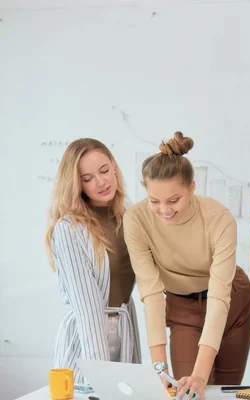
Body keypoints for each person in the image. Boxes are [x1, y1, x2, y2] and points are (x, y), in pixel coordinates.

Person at [124, 131, 250, 400]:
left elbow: (219, 298)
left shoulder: (219, 218)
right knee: (183, 392)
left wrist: (201, 375)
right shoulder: (135, 220)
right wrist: (159, 368)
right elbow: (151, 293)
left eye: (173, 200)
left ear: (192, 188)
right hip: (181, 305)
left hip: (230, 300)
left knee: (221, 393)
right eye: (154, 201)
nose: (164, 210)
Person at [46, 139, 141, 390]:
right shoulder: (69, 229)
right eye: (87, 178)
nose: (101, 182)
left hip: (125, 330)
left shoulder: (129, 216)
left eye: (104, 171)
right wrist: (103, 380)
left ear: (113, 166)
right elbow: (88, 310)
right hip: (87, 342)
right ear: (76, 184)